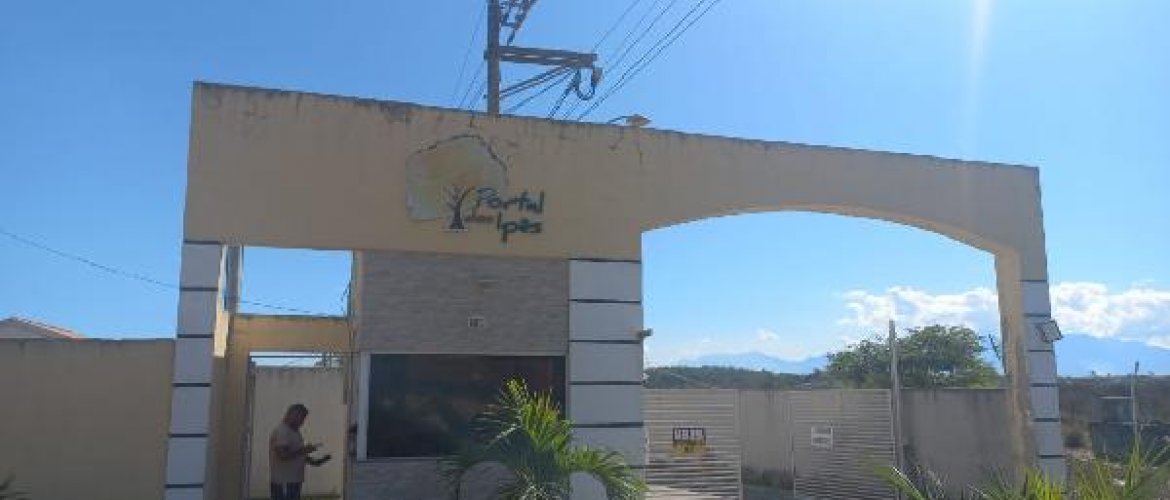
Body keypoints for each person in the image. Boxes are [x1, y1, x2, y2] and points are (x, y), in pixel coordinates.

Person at [269, 403, 331, 500]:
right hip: (284, 482)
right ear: (291, 414)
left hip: (293, 481)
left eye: (303, 419)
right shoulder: (282, 431)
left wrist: (315, 461)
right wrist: (304, 450)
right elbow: (282, 455)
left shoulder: (294, 432)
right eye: (301, 418)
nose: (302, 422)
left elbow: (297, 454)